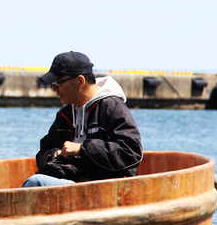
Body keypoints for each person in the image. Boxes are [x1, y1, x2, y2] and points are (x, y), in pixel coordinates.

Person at [23, 51, 143, 188]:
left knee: (35, 182)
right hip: (71, 182)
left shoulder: (112, 107)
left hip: (106, 188)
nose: (54, 89)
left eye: (58, 82)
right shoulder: (65, 113)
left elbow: (131, 152)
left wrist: (82, 149)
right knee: (36, 181)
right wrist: (56, 154)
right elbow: (44, 151)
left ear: (80, 81)